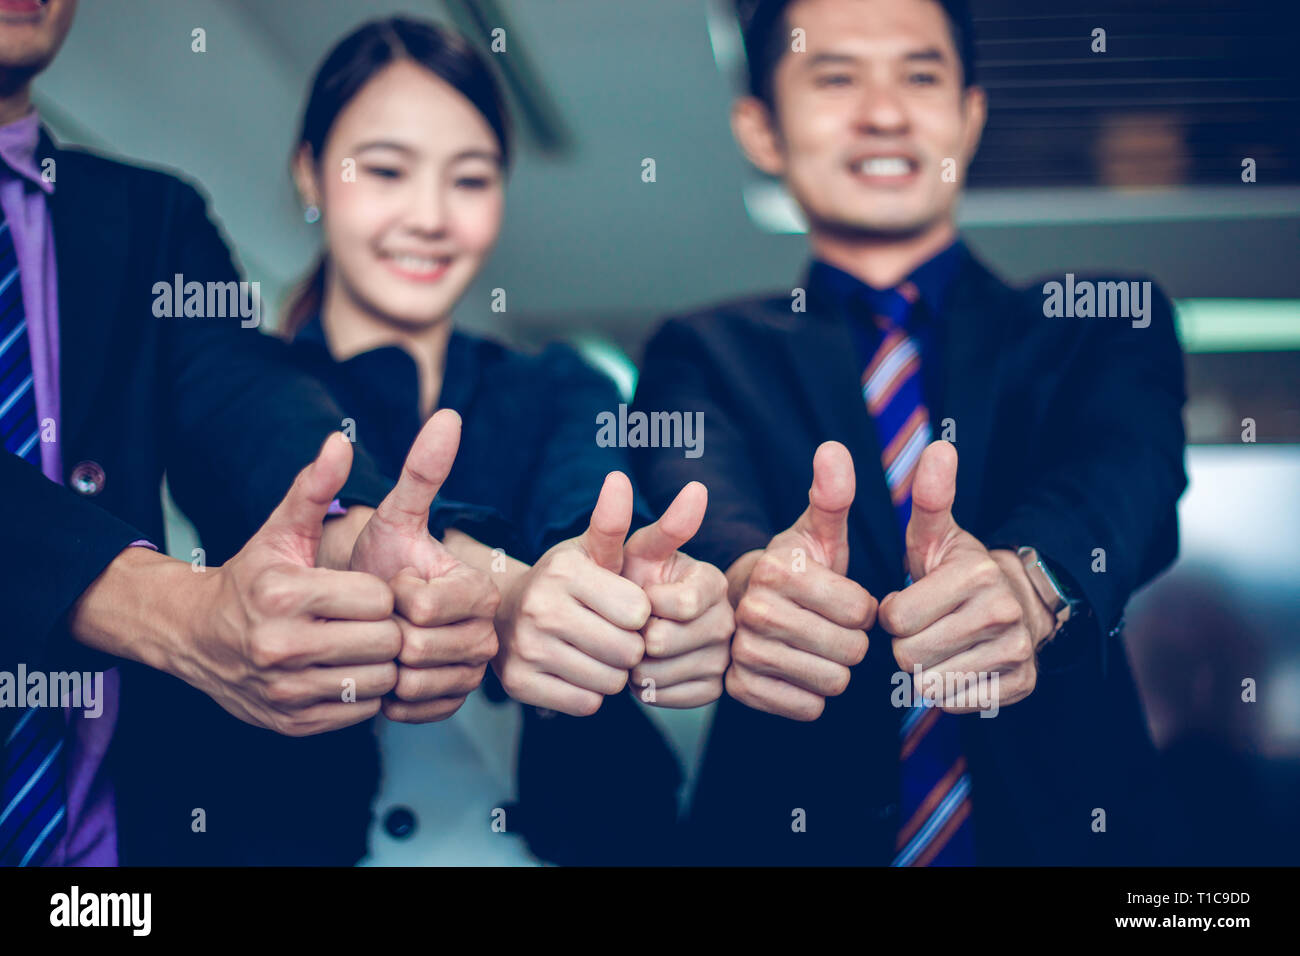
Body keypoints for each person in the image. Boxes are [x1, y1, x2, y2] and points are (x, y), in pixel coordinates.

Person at [631, 0, 1188, 865]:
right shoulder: (699, 350)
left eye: (919, 75)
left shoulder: (1102, 324)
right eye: (836, 75)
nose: (884, 112)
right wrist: (753, 582)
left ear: (969, 115)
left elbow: (1126, 479)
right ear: (762, 129)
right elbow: (692, 489)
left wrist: (1032, 579)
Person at [0, 0, 500, 867]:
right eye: (385, 169)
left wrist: (355, 532)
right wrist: (171, 608)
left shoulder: (150, 218)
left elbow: (241, 400)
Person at [282, 17, 734, 864]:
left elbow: (582, 493)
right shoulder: (246, 388)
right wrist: (505, 588)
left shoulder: (560, 382)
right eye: (384, 170)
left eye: (470, 179)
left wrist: (600, 581)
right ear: (311, 172)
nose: (428, 217)